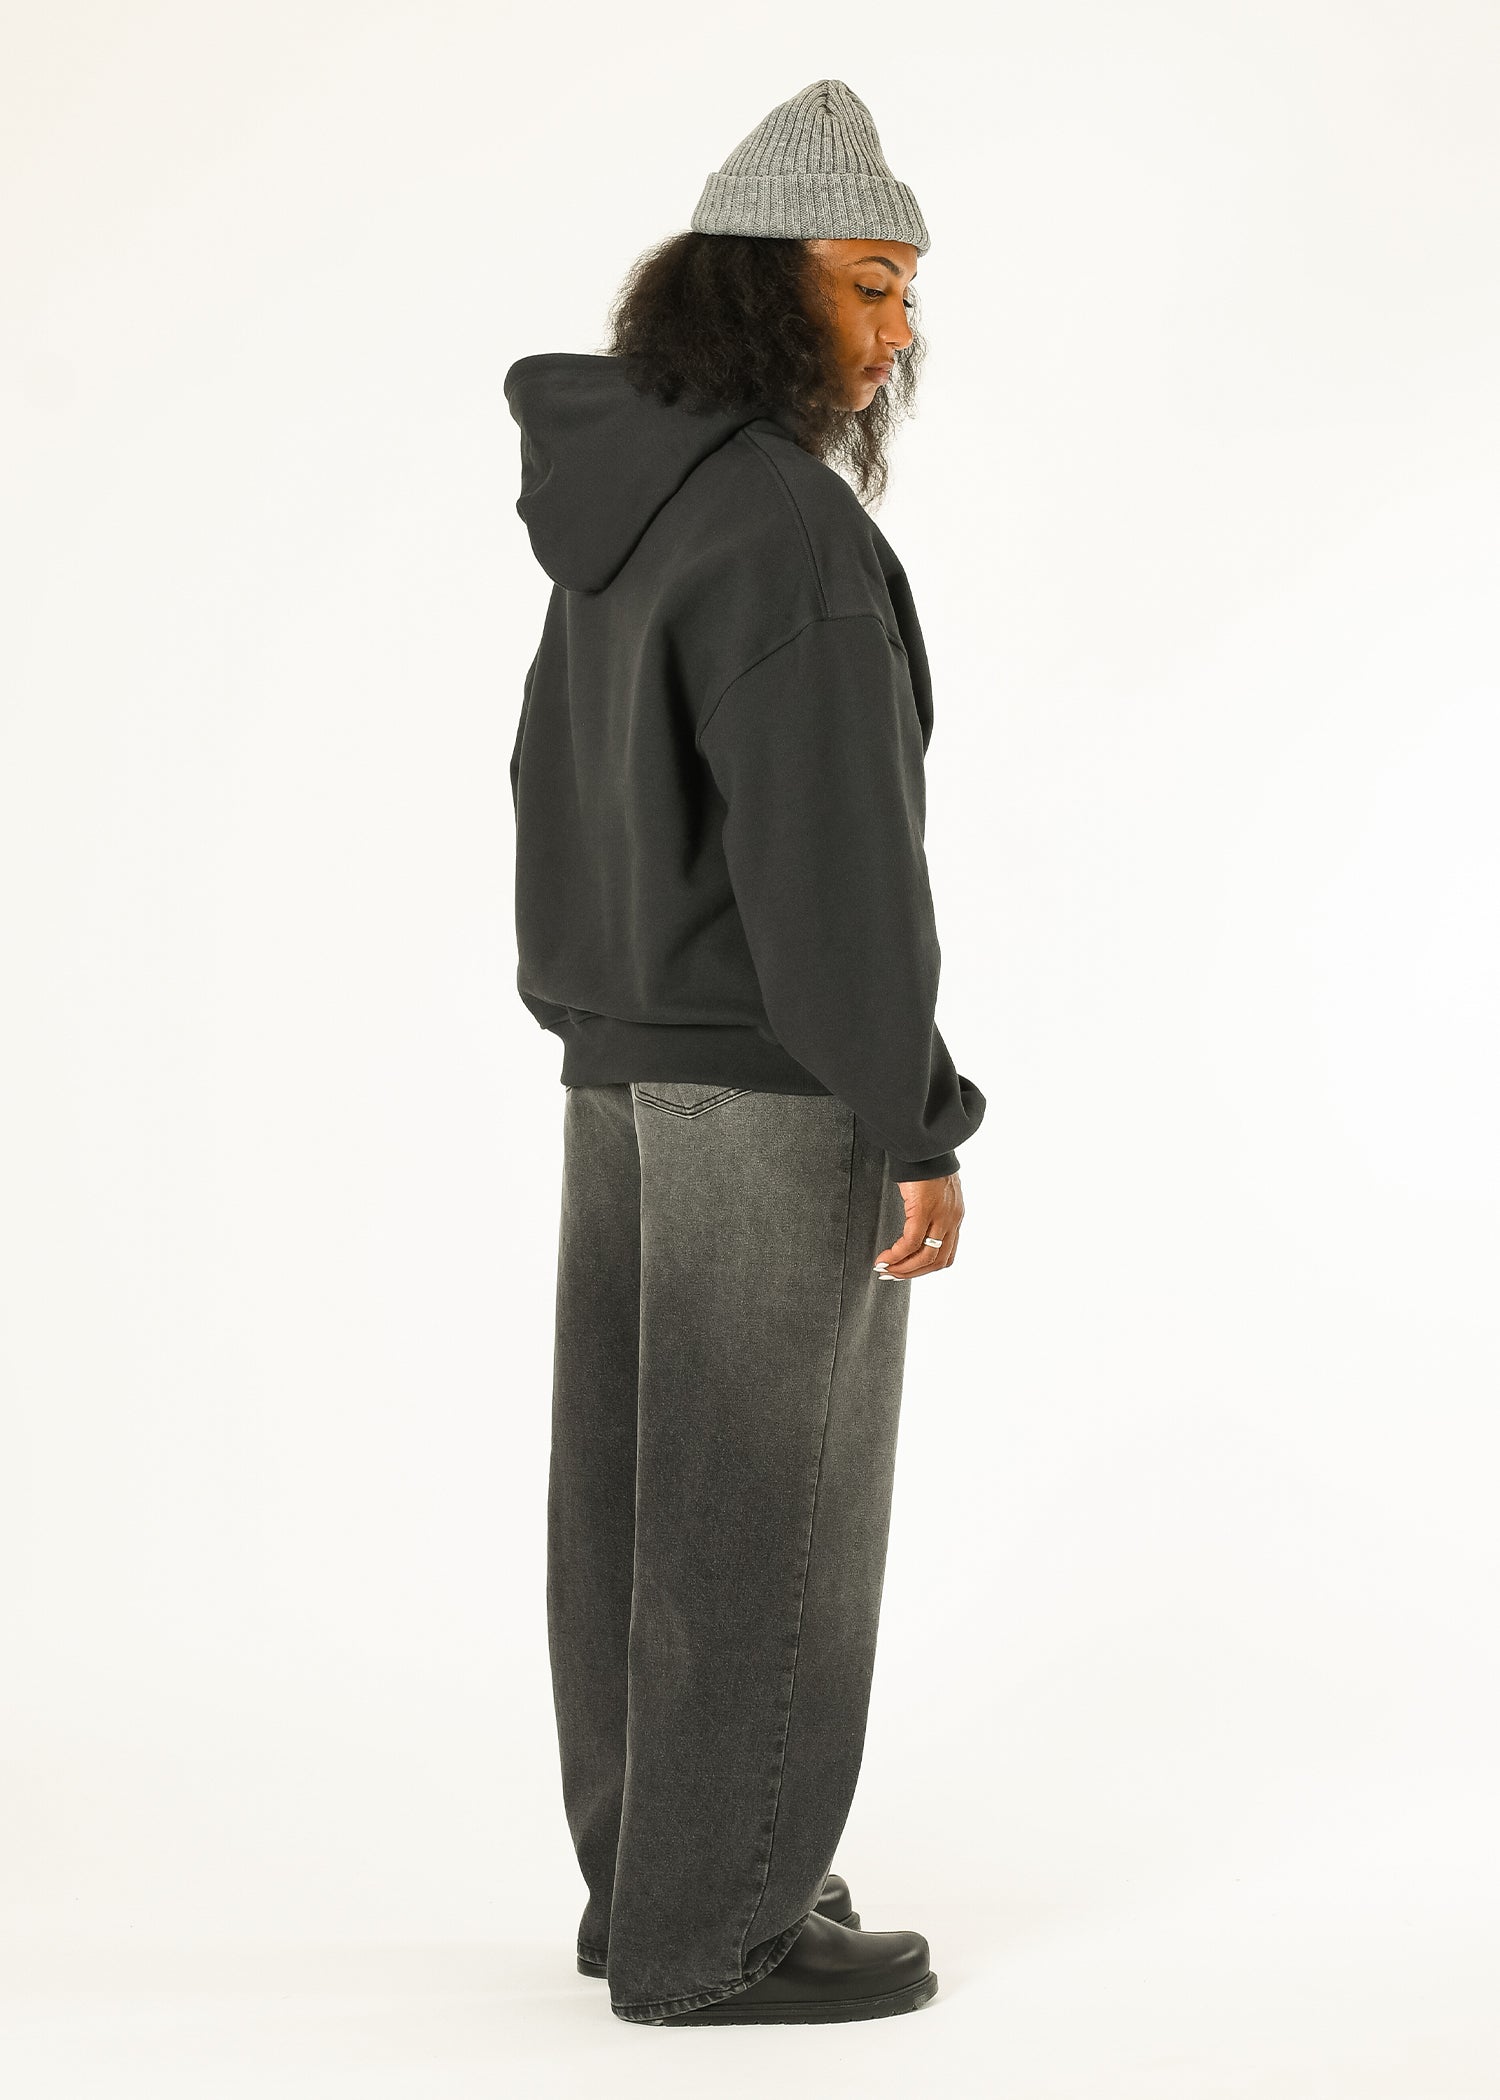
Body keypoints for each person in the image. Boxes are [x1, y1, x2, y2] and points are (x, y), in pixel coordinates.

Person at [503, 79, 986, 2026]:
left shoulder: (633, 502)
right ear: (760, 283)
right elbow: (835, 860)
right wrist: (915, 1114)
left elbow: (547, 780)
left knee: (636, 1501)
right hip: (773, 1076)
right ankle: (722, 1935)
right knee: (764, 1504)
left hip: (625, 1065)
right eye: (867, 284)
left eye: (908, 295)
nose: (894, 331)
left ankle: (652, 1878)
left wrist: (595, 1011)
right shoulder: (786, 526)